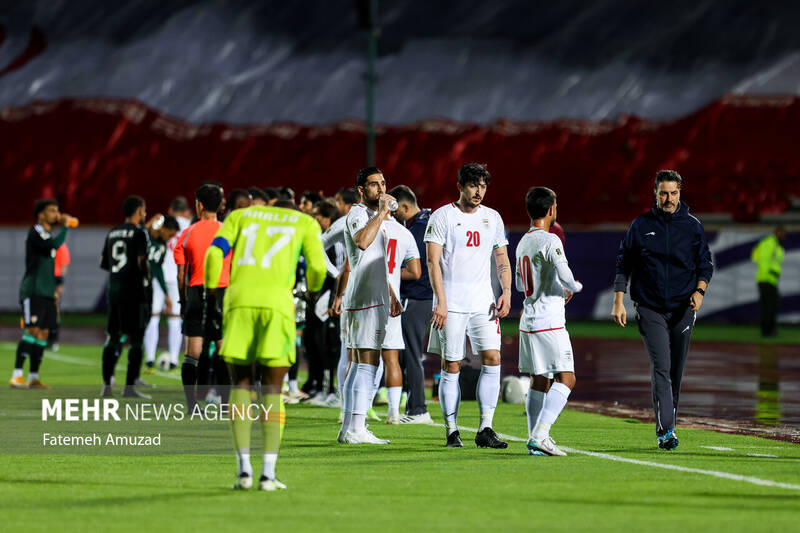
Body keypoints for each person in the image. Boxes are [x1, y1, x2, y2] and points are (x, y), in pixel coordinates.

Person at [204, 197, 326, 490]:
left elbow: (213, 255)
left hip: (239, 303)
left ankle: (243, 471)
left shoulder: (240, 216)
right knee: (272, 390)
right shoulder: (305, 222)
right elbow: (318, 268)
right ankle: (268, 474)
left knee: (240, 385)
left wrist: (211, 295)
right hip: (277, 306)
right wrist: (312, 292)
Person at [612, 169, 713, 450]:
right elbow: (623, 263)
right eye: (663, 194)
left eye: (673, 193)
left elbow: (705, 264)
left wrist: (700, 292)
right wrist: (618, 301)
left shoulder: (692, 226)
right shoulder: (640, 225)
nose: (669, 199)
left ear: (680, 193)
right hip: (649, 307)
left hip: (683, 308)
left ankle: (670, 424)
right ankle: (666, 431)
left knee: (675, 372)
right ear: (655, 194)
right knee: (662, 367)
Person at [425, 163, 511, 449]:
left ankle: (486, 427)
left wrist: (507, 291)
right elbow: (432, 262)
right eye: (474, 185)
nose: (479, 191)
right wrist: (441, 301)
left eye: (483, 186)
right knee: (451, 365)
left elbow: (502, 258)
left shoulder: (492, 217)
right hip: (451, 303)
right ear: (460, 186)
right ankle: (452, 430)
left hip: (483, 302)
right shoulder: (442, 216)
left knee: (493, 358)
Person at [516, 187, 583, 456]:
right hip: (549, 322)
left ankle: (534, 439)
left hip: (528, 321)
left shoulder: (523, 241)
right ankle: (541, 434)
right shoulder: (550, 239)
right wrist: (574, 287)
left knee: (540, 379)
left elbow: (521, 284)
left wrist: (554, 286)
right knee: (567, 378)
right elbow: (566, 275)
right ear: (552, 209)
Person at [337, 167, 402, 444]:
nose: (382, 188)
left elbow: (373, 260)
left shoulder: (373, 217)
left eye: (384, 183)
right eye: (375, 184)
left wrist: (391, 291)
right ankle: (357, 428)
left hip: (372, 295)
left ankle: (348, 428)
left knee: (358, 364)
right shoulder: (358, 214)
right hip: (364, 299)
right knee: (368, 363)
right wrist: (383, 213)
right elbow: (362, 243)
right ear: (362, 190)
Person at [174, 184, 231, 411]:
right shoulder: (228, 231)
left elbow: (181, 274)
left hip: (196, 293)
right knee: (223, 349)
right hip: (222, 292)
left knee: (193, 353)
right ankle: (225, 405)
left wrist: (183, 301)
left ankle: (191, 405)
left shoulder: (187, 233)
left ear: (199, 206)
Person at [10, 199, 76, 388]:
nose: (57, 214)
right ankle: (16, 375)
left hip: (46, 292)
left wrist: (53, 289)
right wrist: (65, 227)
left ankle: (33, 377)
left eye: (57, 210)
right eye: (52, 210)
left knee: (44, 333)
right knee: (32, 330)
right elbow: (54, 244)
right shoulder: (36, 232)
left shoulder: (47, 234)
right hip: (33, 290)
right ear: (41, 214)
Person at [388, 184, 435, 424]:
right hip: (422, 296)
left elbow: (414, 270)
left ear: (405, 207)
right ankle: (412, 405)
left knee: (411, 354)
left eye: (395, 210)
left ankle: (418, 409)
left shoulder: (417, 229)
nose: (393, 215)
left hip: (417, 297)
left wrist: (386, 274)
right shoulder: (425, 222)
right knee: (407, 354)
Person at [99, 196, 151, 398]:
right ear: (139, 211)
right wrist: (147, 279)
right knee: (137, 338)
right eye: (144, 210)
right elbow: (141, 261)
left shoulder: (112, 231)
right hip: (133, 290)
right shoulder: (139, 233)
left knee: (113, 337)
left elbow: (103, 262)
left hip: (114, 289)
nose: (145, 213)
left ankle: (107, 386)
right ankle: (129, 388)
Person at [380, 213, 421, 423]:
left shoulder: (367, 225)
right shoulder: (405, 232)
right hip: (392, 301)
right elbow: (415, 271)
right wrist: (394, 272)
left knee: (358, 357)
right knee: (391, 358)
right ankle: (394, 413)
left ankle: (354, 412)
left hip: (365, 299)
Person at [144, 197, 191, 372]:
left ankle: (149, 358)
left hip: (158, 275)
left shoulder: (163, 221)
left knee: (153, 317)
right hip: (179, 276)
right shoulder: (189, 224)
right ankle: (174, 359)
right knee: (175, 319)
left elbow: (146, 235)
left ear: (170, 209)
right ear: (186, 210)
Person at [142, 215, 180, 372]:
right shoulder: (148, 237)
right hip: (150, 283)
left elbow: (157, 269)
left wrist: (166, 294)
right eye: (170, 234)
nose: (171, 238)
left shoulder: (162, 245)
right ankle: (149, 359)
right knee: (153, 317)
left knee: (165, 318)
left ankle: (170, 360)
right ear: (163, 229)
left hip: (162, 282)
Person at [752, 226, 786, 337]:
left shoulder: (776, 245)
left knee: (769, 306)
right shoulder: (769, 243)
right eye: (782, 233)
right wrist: (766, 276)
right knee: (769, 306)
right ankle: (767, 331)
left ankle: (767, 330)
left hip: (770, 279)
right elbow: (763, 259)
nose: (784, 235)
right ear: (777, 232)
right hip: (766, 279)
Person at [49, 242, 71, 351]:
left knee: (53, 310)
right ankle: (50, 340)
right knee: (52, 310)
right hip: (50, 279)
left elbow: (63, 267)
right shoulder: (61, 246)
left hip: (52, 279)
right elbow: (64, 267)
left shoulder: (59, 246)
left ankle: (52, 339)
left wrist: (59, 283)